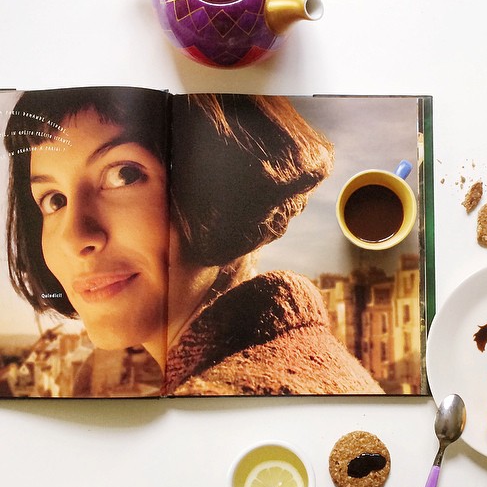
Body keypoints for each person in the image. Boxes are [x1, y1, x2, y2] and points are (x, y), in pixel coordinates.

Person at [3, 87, 383, 396]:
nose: (74, 237)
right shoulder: (297, 360)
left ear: (216, 189)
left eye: (124, 175)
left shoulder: (223, 396)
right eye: (54, 200)